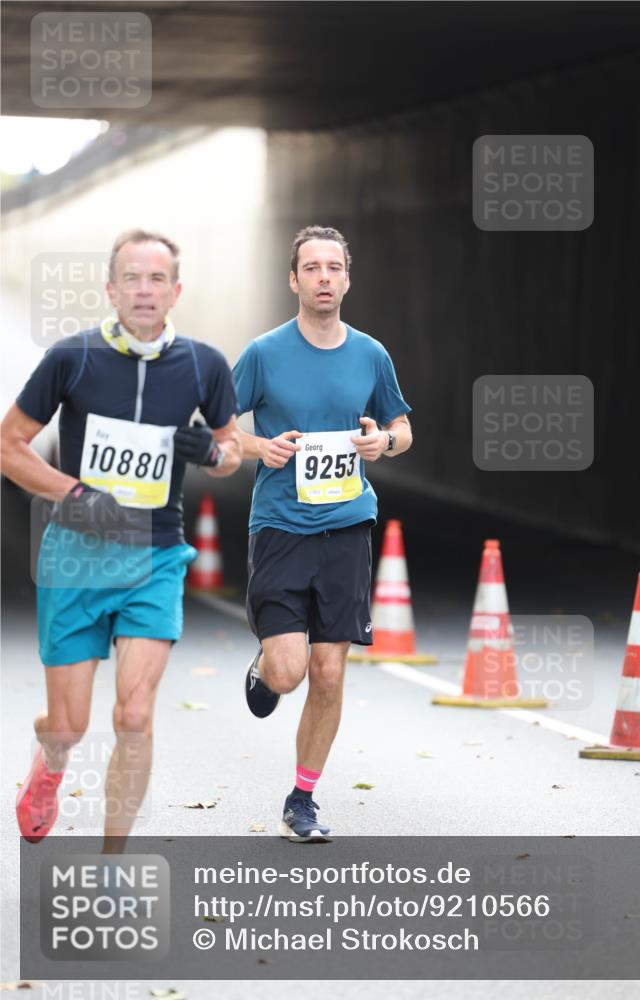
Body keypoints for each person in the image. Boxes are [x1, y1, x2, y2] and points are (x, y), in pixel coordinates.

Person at [1, 229, 241, 848]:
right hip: (77, 555)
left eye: (157, 278)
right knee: (70, 727)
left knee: (134, 716)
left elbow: (233, 449)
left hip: (156, 555)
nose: (144, 289)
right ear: (110, 288)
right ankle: (49, 763)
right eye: (131, 278)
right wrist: (73, 492)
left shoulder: (203, 364)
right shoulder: (72, 358)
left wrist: (212, 451)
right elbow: (9, 447)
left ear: (175, 291)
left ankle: (112, 864)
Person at [233, 225, 412, 842]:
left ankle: (301, 800)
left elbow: (401, 428)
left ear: (348, 278)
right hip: (281, 526)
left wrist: (381, 442)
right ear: (294, 280)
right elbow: (221, 431)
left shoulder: (370, 354)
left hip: (347, 524)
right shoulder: (263, 353)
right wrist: (262, 445)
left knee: (330, 672)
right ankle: (264, 670)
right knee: (291, 671)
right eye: (312, 268)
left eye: (334, 267)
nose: (325, 278)